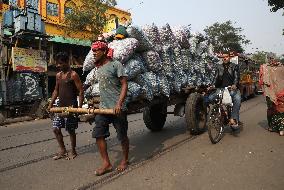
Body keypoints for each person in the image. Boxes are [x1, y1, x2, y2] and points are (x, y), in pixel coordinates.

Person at [90, 40, 129, 176]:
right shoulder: (98, 68)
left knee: (122, 136)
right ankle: (106, 163)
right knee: (98, 135)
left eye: (96, 50)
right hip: (103, 108)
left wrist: (119, 103)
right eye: (93, 51)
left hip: (117, 108)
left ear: (104, 51)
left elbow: (124, 84)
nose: (94, 53)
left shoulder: (116, 64)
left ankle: (124, 160)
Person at [48, 52, 84, 160]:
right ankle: (63, 150)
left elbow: (81, 91)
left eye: (60, 63)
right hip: (60, 105)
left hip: (71, 106)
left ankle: (73, 150)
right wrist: (50, 104)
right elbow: (56, 90)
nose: (58, 65)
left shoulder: (73, 75)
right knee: (56, 129)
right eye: (57, 64)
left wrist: (79, 108)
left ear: (66, 62)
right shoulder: (58, 75)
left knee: (70, 130)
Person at [209, 54, 241, 129]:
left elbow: (237, 77)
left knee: (237, 99)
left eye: (226, 57)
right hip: (221, 89)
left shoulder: (234, 66)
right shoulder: (218, 67)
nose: (225, 58)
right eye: (223, 57)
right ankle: (220, 114)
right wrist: (213, 85)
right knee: (210, 98)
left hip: (231, 88)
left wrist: (234, 85)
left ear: (229, 57)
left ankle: (234, 119)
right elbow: (216, 77)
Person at [259, 57, 284, 136]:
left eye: (273, 58)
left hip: (280, 92)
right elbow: (262, 80)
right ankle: (274, 126)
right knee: (272, 109)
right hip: (270, 92)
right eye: (270, 59)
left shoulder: (281, 68)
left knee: (279, 109)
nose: (272, 60)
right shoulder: (265, 67)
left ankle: (280, 128)